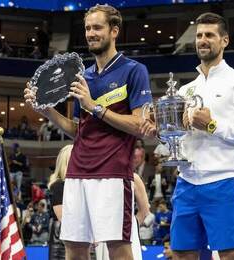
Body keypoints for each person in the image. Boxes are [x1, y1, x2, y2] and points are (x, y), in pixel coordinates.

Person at [24, 4, 152, 259]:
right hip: (77, 172)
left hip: (114, 172)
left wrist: (94, 107)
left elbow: (139, 125)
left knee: (117, 246)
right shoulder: (82, 76)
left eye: (97, 27)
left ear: (114, 31)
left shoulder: (134, 70)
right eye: (87, 28)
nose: (91, 33)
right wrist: (47, 111)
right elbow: (77, 130)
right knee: (74, 246)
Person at [140, 12, 234, 259]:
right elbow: (180, 140)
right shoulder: (187, 90)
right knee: (181, 253)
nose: (202, 40)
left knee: (231, 255)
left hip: (223, 181)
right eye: (199, 35)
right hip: (186, 182)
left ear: (225, 41)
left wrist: (212, 125)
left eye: (209, 35)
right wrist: (162, 132)